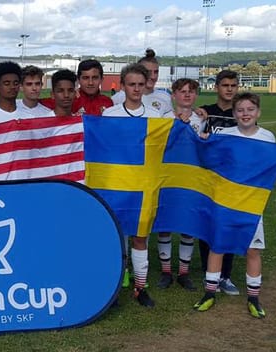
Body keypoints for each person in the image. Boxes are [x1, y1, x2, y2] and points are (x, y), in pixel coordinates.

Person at [193, 92, 276, 318]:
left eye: (250, 110)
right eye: (240, 110)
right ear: (234, 113)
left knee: (253, 249)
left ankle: (254, 298)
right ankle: (209, 293)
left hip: (251, 203)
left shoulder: (268, 137)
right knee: (217, 246)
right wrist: (205, 141)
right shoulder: (225, 134)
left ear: (258, 112)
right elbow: (209, 158)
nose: (245, 114)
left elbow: (269, 168)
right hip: (226, 200)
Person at [102, 63, 173, 308]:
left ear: (146, 86)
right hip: (117, 184)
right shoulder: (109, 115)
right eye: (131, 84)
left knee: (140, 238)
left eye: (140, 84)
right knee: (118, 237)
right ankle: (115, 288)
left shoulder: (155, 117)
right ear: (122, 86)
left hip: (144, 186)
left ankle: (140, 288)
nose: (136, 89)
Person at [155, 78, 205, 291]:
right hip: (167, 177)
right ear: (173, 95)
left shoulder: (202, 118)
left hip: (190, 179)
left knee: (187, 226)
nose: (186, 95)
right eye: (182, 91)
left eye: (191, 92)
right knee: (164, 226)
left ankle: (184, 273)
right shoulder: (162, 118)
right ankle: (166, 271)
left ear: (196, 96)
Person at [195, 70, 241, 295]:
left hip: (232, 179)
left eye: (233, 85)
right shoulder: (206, 112)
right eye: (225, 85)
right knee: (207, 225)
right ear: (217, 87)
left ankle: (226, 275)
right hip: (209, 178)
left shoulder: (241, 113)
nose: (229, 89)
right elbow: (195, 140)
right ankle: (209, 273)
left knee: (228, 225)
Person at [112, 49, 173, 116]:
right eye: (148, 72)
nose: (153, 77)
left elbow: (169, 123)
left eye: (156, 72)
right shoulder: (118, 98)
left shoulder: (165, 97)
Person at [41, 59, 114, 116]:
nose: (90, 83)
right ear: (78, 80)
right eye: (85, 78)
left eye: (95, 78)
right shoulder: (69, 99)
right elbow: (34, 105)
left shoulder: (108, 102)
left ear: (101, 79)